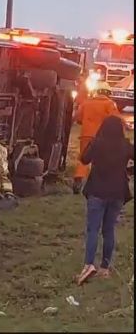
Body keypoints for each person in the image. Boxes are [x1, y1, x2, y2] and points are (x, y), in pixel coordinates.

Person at [76, 115, 133, 285]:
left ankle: (88, 266)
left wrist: (92, 141)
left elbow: (84, 158)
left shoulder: (97, 143)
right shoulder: (126, 145)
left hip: (97, 191)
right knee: (109, 230)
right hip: (117, 193)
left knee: (93, 229)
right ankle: (105, 268)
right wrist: (129, 171)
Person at [72, 81, 121, 194]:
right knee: (101, 160)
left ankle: (79, 177)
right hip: (102, 138)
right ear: (108, 93)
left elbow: (78, 117)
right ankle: (99, 183)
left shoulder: (86, 103)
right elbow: (116, 119)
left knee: (83, 158)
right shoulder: (110, 104)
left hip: (85, 135)